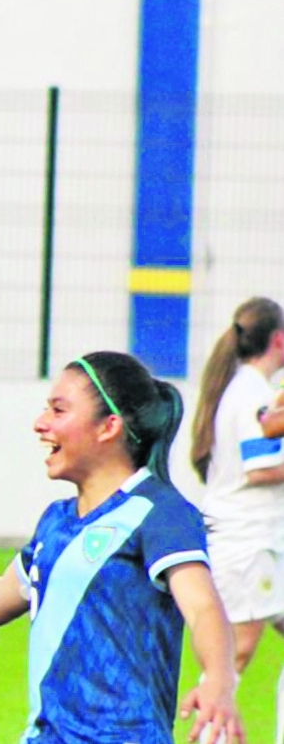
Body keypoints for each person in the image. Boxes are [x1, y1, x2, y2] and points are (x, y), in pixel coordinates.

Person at [0, 351, 244, 744]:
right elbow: (3, 592)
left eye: (58, 411)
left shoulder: (159, 512)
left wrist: (219, 680)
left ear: (108, 427)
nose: (40, 424)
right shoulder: (57, 520)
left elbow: (203, 605)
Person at [189, 298, 284, 743]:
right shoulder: (253, 396)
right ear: (279, 340)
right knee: (234, 655)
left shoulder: (243, 390)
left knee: (231, 656)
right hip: (249, 543)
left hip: (253, 541)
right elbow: (260, 468)